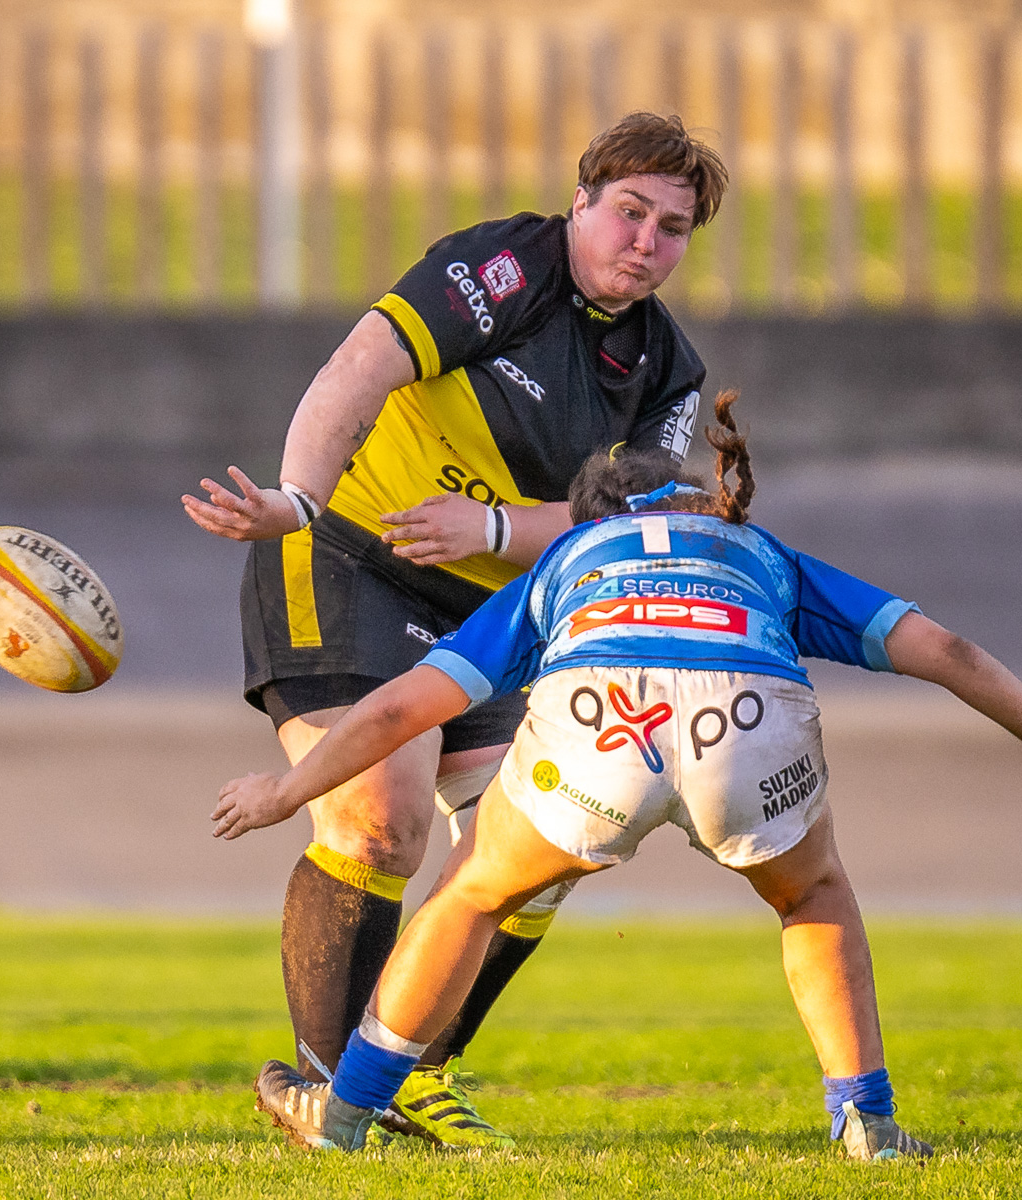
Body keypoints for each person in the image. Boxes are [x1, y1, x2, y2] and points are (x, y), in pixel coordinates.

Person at [210, 393, 1022, 1159]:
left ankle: (345, 1113)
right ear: (705, 501)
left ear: (591, 516)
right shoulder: (760, 553)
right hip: (747, 724)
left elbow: (401, 709)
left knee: (473, 895)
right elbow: (945, 650)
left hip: (602, 722)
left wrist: (285, 791)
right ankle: (866, 1122)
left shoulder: (568, 559)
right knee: (812, 896)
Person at [182, 113, 729, 1146]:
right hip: (345, 554)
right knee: (382, 816)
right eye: (628, 212)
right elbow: (358, 368)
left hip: (486, 612)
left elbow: (631, 524)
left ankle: (413, 1070)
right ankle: (330, 1090)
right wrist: (297, 498)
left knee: (548, 843)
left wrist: (493, 529)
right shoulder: (500, 271)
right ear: (581, 200)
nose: (645, 242)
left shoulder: (667, 369)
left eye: (672, 228)